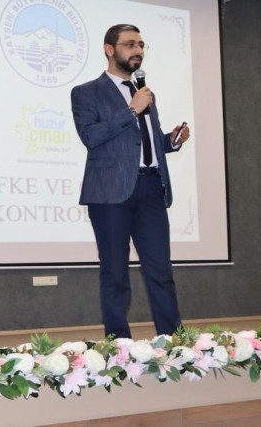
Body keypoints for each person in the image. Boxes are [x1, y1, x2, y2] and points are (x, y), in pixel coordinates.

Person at [70, 24, 190, 339]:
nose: (137, 50)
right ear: (109, 49)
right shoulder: (86, 92)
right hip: (110, 195)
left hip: (151, 188)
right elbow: (91, 136)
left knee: (161, 271)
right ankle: (119, 344)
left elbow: (144, 141)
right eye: (129, 44)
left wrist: (170, 141)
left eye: (140, 44)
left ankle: (174, 340)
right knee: (115, 274)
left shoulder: (145, 92)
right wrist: (131, 110)